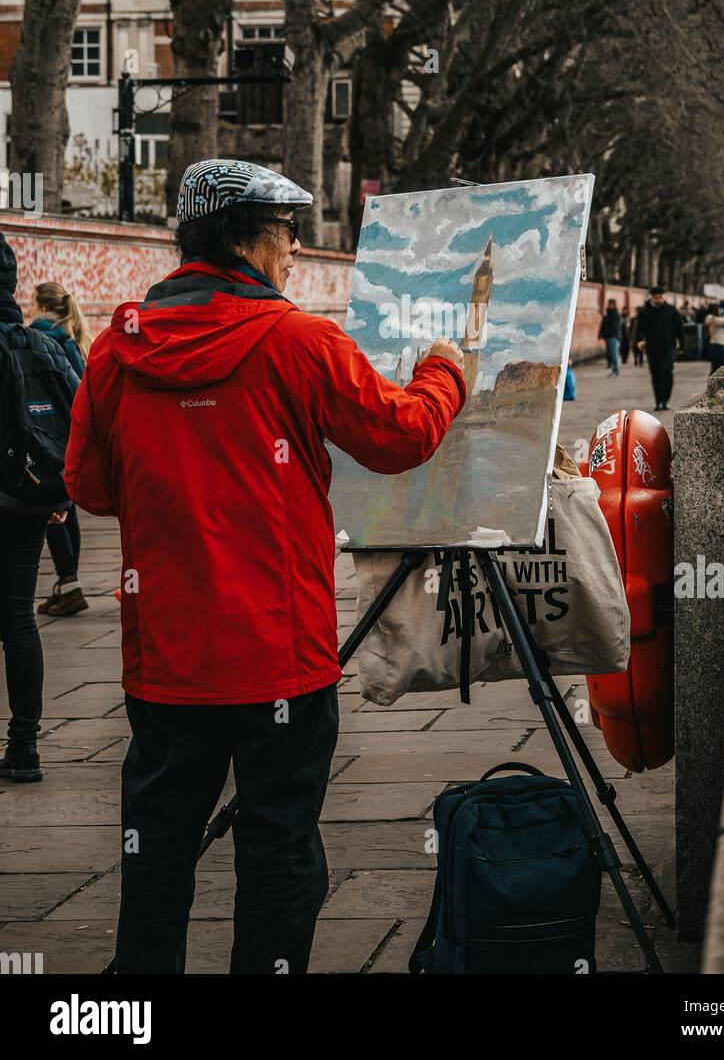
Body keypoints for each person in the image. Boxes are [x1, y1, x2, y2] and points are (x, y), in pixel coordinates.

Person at [64, 158, 467, 976]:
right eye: (288, 235)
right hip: (279, 657)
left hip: (166, 660)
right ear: (250, 237)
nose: (293, 253)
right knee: (281, 853)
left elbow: (89, 488)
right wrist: (445, 371)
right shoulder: (299, 341)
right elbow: (400, 436)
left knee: (156, 858)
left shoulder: (115, 351)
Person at [0, 234, 80, 783]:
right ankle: (24, 746)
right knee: (18, 618)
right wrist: (61, 491)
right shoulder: (40, 344)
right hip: (26, 502)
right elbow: (83, 417)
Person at [30, 282, 92, 617]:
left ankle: (69, 582)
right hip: (71, 437)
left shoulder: (37, 336)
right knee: (66, 509)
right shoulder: (72, 337)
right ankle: (69, 584)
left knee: (50, 510)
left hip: (45, 435)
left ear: (39, 304)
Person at [635, 286, 684, 412]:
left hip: (668, 347)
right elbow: (639, 329)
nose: (659, 300)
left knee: (666, 371)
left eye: (661, 297)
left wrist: (682, 345)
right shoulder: (644, 312)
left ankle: (665, 399)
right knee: (656, 374)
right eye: (656, 298)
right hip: (652, 348)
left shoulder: (671, 310)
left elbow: (679, 328)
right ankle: (658, 401)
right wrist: (639, 340)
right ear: (652, 297)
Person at [598, 299, 622, 377]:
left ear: (614, 305)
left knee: (614, 354)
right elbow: (604, 325)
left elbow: (614, 327)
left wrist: (608, 334)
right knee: (612, 355)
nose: (609, 305)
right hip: (609, 337)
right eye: (609, 304)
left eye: (611, 304)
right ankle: (614, 370)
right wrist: (601, 335)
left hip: (613, 337)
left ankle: (616, 371)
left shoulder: (615, 314)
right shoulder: (608, 314)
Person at [704, 302, 724, 373]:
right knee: (718, 368)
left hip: (716, 345)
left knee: (715, 368)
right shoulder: (711, 318)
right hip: (718, 345)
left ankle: (711, 383)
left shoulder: (712, 318)